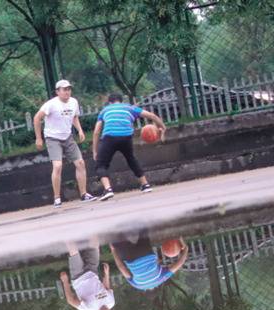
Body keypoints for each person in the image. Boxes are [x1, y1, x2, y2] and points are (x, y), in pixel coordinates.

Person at [92, 94, 167, 201]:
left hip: (109, 138)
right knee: (131, 159)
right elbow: (153, 116)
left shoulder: (105, 110)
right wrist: (163, 128)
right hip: (126, 137)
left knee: (101, 165)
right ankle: (145, 185)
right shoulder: (130, 108)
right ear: (121, 101)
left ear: (109, 102)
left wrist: (94, 151)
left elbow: (96, 132)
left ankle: (108, 190)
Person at [34, 80, 96, 208]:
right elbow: (36, 118)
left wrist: (79, 130)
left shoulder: (74, 102)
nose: (67, 91)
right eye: (64, 89)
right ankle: (57, 198)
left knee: (80, 163)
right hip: (52, 138)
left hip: (67, 136)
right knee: (57, 166)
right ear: (57, 92)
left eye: (69, 89)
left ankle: (84, 194)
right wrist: (38, 138)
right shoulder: (51, 104)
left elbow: (74, 117)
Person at [110, 229, 189, 291]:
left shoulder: (161, 279)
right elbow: (122, 268)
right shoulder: (137, 285)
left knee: (143, 231)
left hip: (145, 253)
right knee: (114, 233)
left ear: (157, 287)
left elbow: (180, 263)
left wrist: (186, 249)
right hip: (130, 257)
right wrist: (113, 251)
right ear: (146, 290)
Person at [60, 240, 115, 310]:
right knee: (95, 243)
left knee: (73, 251)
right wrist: (107, 274)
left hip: (78, 276)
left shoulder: (88, 308)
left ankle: (63, 230)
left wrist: (65, 282)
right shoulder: (111, 302)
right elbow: (107, 288)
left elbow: (71, 300)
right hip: (92, 271)